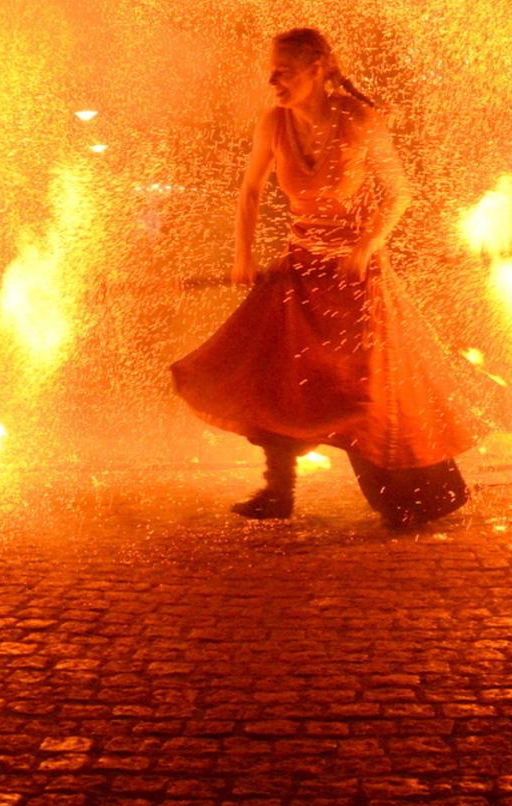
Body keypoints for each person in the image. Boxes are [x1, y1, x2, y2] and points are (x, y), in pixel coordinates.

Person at [171, 28, 488, 529]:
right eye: (270, 70)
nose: (272, 80)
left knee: (362, 390)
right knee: (275, 373)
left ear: (317, 69)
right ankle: (279, 492)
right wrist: (243, 255)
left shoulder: (361, 121)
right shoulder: (273, 124)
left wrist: (366, 246)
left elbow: (399, 193)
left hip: (355, 280)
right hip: (300, 271)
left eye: (284, 71)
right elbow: (251, 190)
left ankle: (411, 497)